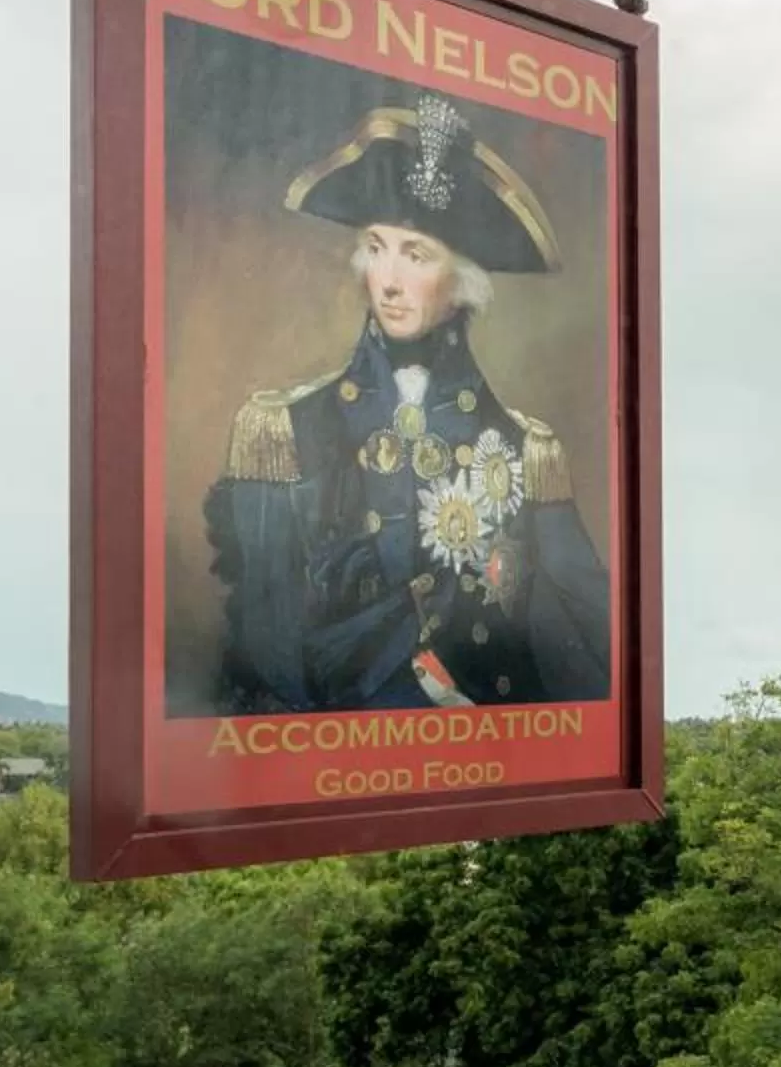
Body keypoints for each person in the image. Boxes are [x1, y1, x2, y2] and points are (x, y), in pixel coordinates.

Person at [198, 91, 611, 714]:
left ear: (464, 283)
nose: (386, 280)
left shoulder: (528, 449)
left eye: (415, 255)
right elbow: (269, 655)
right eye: (376, 246)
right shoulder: (284, 431)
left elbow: (583, 651)